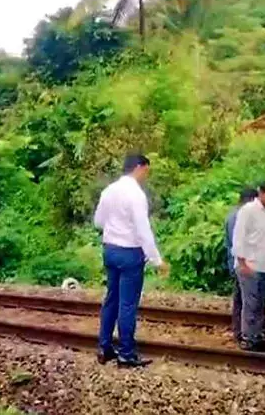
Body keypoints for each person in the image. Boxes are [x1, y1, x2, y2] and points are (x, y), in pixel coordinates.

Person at [94, 154, 168, 368]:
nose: (146, 175)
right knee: (127, 304)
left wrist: (115, 228)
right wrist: (156, 259)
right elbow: (143, 230)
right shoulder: (136, 194)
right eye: (146, 170)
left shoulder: (109, 190)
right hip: (129, 253)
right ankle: (126, 353)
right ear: (139, 167)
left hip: (110, 250)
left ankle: (104, 347)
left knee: (111, 299)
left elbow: (99, 221)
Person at [232, 181, 265, 351]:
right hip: (249, 263)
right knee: (250, 303)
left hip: (264, 264)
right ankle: (248, 337)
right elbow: (239, 236)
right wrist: (242, 262)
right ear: (260, 193)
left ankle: (256, 335)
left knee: (260, 304)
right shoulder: (248, 210)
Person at [225, 187, 258, 344]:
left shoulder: (232, 214)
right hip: (243, 262)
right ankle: (245, 334)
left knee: (239, 298)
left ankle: (238, 331)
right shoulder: (242, 216)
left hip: (235, 262)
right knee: (247, 300)